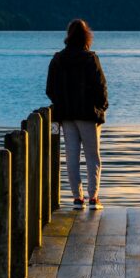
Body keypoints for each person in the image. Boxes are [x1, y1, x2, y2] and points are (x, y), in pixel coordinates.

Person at [46, 19, 108, 210]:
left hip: (66, 115)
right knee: (92, 157)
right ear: (86, 36)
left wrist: (62, 103)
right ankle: (93, 198)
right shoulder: (90, 59)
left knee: (72, 157)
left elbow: (50, 89)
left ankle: (77, 198)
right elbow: (101, 87)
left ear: (68, 36)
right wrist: (101, 108)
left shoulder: (57, 59)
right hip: (88, 114)